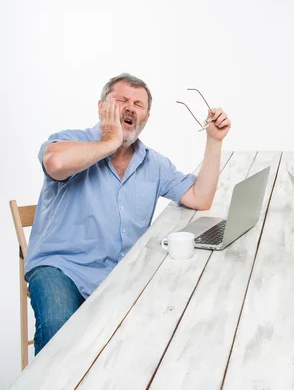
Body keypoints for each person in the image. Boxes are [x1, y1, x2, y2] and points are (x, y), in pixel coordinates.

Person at [25, 73, 231, 353]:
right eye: (121, 100)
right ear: (101, 108)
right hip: (61, 268)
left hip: (118, 272)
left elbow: (200, 197)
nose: (130, 107)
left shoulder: (154, 164)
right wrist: (111, 141)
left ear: (146, 117)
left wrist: (214, 141)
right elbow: (56, 163)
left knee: (169, 327)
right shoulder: (70, 140)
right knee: (59, 332)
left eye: (138, 104)